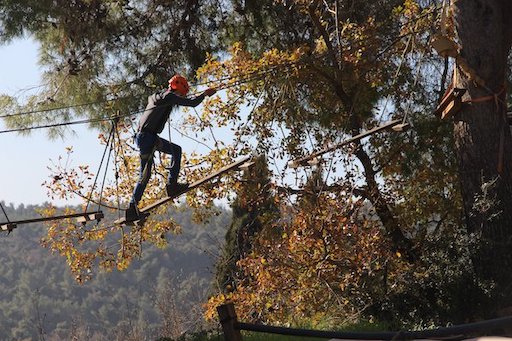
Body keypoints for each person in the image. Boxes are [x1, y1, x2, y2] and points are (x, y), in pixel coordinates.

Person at [125, 75, 216, 222]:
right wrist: (204, 94)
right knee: (145, 175)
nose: (180, 97)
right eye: (180, 94)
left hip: (148, 137)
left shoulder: (157, 96)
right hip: (147, 138)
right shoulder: (170, 96)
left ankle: (171, 185)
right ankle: (132, 208)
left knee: (176, 150)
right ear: (177, 89)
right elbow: (192, 103)